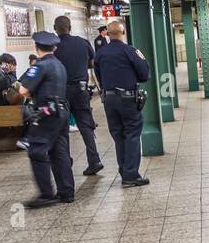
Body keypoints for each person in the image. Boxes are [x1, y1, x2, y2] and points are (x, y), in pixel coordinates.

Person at [18, 31, 74, 208]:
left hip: (46, 114)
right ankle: (66, 192)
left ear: (36, 47)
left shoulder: (40, 66)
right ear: (55, 47)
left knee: (37, 150)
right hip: (61, 111)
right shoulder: (59, 65)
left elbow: (23, 91)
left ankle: (46, 194)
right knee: (60, 152)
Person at [96, 20, 151, 187]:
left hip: (108, 99)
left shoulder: (100, 53)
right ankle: (131, 175)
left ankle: (124, 171)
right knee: (132, 134)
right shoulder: (130, 51)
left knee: (118, 135)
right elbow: (144, 74)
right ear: (123, 32)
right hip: (127, 98)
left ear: (108, 33)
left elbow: (98, 75)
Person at [52, 15, 103, 176]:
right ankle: (94, 160)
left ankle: (66, 161)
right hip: (81, 90)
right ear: (70, 27)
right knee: (86, 126)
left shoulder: (52, 46)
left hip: (61, 92)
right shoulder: (83, 43)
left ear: (55, 29)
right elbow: (92, 63)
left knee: (62, 128)